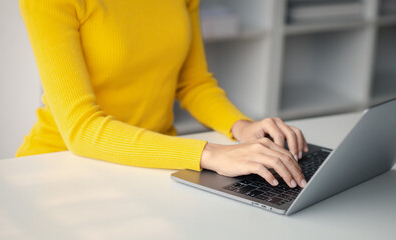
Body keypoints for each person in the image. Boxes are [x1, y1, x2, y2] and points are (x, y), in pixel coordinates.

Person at [17, 0, 308, 189]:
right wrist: (211, 153)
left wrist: (242, 127)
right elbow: (80, 129)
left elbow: (194, 83)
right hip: (62, 166)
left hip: (156, 164)